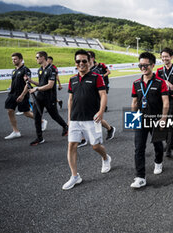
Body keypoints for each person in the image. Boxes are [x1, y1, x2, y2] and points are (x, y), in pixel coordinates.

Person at [62, 49, 112, 190]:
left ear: (90, 62)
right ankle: (74, 176)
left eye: (84, 61)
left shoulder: (97, 77)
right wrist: (69, 118)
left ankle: (106, 158)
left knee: (95, 146)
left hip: (92, 119)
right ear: (75, 63)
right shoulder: (72, 79)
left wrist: (101, 111)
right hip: (75, 119)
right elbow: (70, 99)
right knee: (71, 146)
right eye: (78, 61)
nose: (81, 63)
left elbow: (103, 95)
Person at [130, 52, 169, 189]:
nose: (143, 67)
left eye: (145, 65)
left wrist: (164, 118)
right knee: (139, 147)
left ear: (152, 65)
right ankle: (140, 177)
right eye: (140, 65)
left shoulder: (160, 82)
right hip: (141, 119)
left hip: (156, 119)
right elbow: (134, 102)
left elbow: (165, 102)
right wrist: (133, 118)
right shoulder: (136, 83)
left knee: (157, 144)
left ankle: (158, 161)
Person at [28, 51, 68, 146]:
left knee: (54, 115)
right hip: (40, 97)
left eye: (37, 57)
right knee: (37, 116)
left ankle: (65, 126)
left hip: (49, 97)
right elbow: (41, 84)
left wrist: (36, 89)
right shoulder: (40, 70)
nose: (36, 59)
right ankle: (39, 138)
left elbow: (50, 85)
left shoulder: (51, 69)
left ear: (43, 57)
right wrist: (31, 81)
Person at [4, 52, 47, 140]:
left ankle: (42, 121)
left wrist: (22, 95)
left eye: (15, 59)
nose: (13, 61)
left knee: (26, 113)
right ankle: (16, 131)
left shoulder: (25, 70)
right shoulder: (14, 71)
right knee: (9, 110)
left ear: (20, 59)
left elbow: (27, 84)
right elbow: (13, 81)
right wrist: (10, 87)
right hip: (12, 94)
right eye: (12, 59)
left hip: (22, 94)